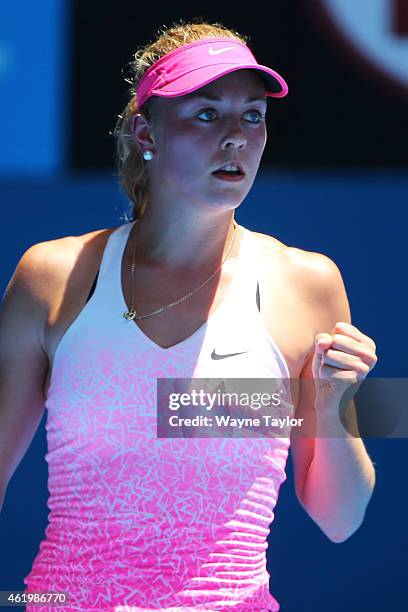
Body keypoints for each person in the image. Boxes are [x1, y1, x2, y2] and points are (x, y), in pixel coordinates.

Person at [0, 20, 378, 612]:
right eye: (206, 114)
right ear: (145, 131)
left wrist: (334, 410)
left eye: (253, 115)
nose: (236, 137)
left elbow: (340, 519)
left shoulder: (311, 284)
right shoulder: (51, 276)